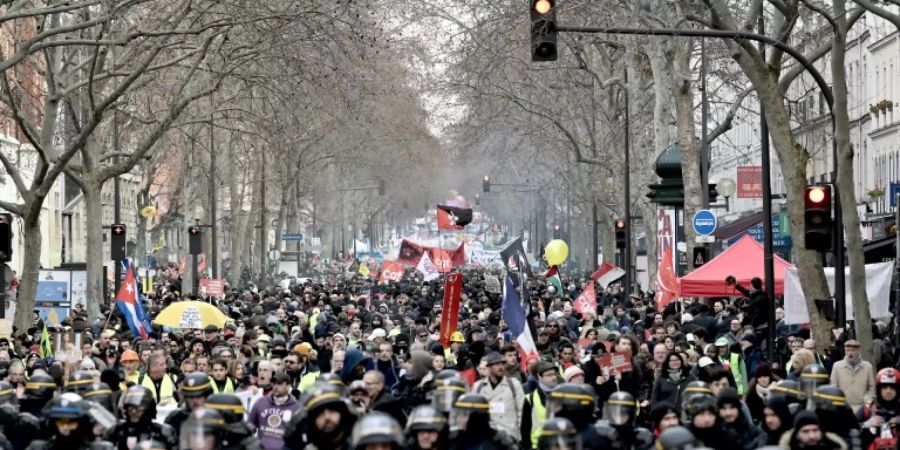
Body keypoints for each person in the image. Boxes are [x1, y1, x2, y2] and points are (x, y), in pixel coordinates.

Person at [471, 352, 526, 445]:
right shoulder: (478, 387)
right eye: (496, 364)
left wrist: (519, 436)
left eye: (502, 363)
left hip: (510, 437)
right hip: (487, 439)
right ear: (488, 367)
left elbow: (522, 412)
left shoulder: (513, 384)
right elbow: (474, 414)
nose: (500, 367)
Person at [105, 385, 177, 449]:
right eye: (130, 408)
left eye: (139, 409)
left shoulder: (163, 431)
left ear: (148, 410)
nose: (133, 412)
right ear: (126, 409)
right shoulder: (115, 430)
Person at [247, 371, 300, 450]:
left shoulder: (296, 408)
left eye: (279, 384)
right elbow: (249, 427)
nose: (275, 386)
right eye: (274, 383)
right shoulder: (261, 402)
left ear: (288, 386)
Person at [447, 393, 516, 450]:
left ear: (476, 417)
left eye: (463, 415)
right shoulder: (455, 441)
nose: (458, 419)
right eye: (458, 414)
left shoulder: (500, 442)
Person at [856, 367, 900, 449]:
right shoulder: (866, 410)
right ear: (879, 389)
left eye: (892, 387)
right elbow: (848, 430)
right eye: (884, 387)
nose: (888, 391)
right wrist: (865, 425)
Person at [829, 340, 875, 411]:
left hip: (862, 407)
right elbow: (833, 387)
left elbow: (871, 388)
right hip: (843, 408)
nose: (849, 353)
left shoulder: (867, 366)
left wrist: (867, 403)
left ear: (858, 351)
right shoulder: (837, 366)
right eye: (847, 350)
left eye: (853, 350)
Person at [164, 372, 212, 440]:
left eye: (199, 396)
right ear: (186, 397)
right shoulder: (175, 419)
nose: (195, 401)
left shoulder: (217, 419)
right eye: (191, 397)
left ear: (207, 396)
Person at [525, 362, 558, 449]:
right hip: (537, 446)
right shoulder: (529, 399)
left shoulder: (565, 395)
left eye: (554, 374)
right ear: (539, 377)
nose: (554, 377)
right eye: (549, 375)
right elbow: (524, 430)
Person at [780, 410, 847, 450]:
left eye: (815, 430)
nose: (812, 436)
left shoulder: (834, 446)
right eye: (805, 431)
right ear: (797, 434)